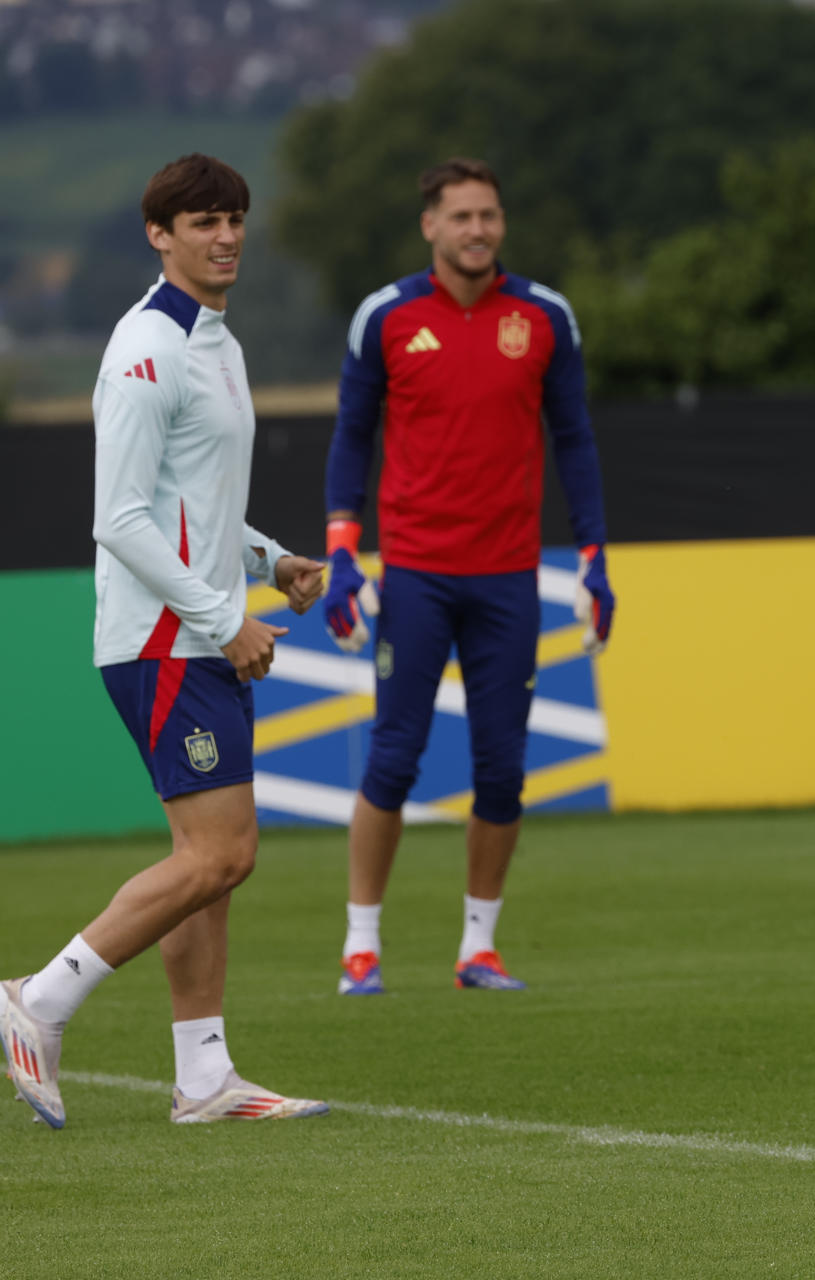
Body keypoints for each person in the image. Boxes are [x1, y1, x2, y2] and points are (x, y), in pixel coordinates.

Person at [2, 154, 330, 1128]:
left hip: (195, 632)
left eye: (233, 218)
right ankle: (35, 999)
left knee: (208, 857)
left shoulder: (215, 341)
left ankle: (203, 1077)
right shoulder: (147, 344)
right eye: (201, 221)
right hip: (163, 640)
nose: (224, 236)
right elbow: (122, 518)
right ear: (161, 234)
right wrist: (228, 619)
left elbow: (196, 503)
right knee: (222, 854)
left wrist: (274, 562)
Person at [322, 158, 614, 996]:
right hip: (414, 573)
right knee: (394, 759)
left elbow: (576, 441)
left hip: (508, 580)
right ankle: (361, 946)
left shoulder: (546, 316)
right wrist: (343, 550)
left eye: (489, 215)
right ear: (430, 226)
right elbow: (351, 437)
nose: (477, 230)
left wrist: (594, 555)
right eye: (461, 217)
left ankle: (478, 948)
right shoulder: (385, 317)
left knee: (502, 768)